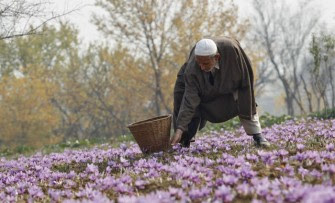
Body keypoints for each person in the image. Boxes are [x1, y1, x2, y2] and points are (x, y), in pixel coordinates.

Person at [170, 37, 270, 148]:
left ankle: (258, 136)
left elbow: (245, 83)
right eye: (199, 63)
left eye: (205, 63)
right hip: (202, 87)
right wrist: (180, 129)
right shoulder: (192, 69)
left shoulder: (232, 52)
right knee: (189, 103)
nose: (202, 67)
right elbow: (189, 100)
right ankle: (185, 141)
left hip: (229, 75)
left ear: (216, 57)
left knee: (244, 98)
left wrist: (244, 94)